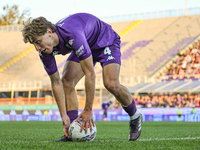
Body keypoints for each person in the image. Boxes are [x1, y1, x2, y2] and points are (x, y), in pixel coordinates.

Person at [21, 13, 142, 141]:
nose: (37, 48)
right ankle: (72, 129)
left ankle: (135, 116)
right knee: (66, 81)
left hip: (105, 41)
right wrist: (64, 116)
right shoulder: (44, 51)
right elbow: (56, 82)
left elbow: (90, 73)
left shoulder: (72, 34)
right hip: (86, 44)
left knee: (111, 84)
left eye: (38, 42)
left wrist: (88, 109)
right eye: (34, 44)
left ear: (49, 32)